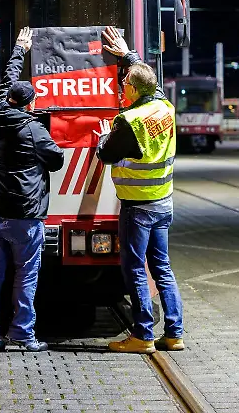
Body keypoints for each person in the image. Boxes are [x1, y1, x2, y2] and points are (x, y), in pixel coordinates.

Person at [95, 25, 184, 354]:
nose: (122, 85)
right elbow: (151, 83)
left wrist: (103, 135)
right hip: (164, 203)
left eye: (125, 83)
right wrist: (127, 55)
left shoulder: (128, 121)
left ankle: (143, 335)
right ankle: (174, 333)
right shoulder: (164, 106)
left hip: (138, 207)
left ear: (134, 89)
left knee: (134, 268)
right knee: (161, 266)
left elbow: (105, 155)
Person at [0, 27, 65, 353]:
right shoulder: (32, 130)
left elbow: (7, 79)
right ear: (30, 105)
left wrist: (19, 49)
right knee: (26, 275)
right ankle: (23, 335)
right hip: (24, 216)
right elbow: (55, 160)